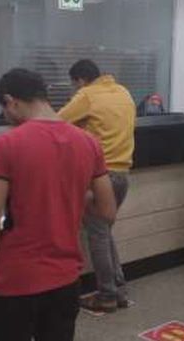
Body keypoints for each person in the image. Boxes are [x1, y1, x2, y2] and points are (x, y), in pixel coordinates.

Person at [0, 68, 117, 341]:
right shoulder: (89, 142)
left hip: (14, 280)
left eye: (4, 110)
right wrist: (71, 197)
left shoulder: (6, 143)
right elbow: (107, 211)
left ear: (10, 101)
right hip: (65, 281)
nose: (6, 117)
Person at [58, 59, 136, 314]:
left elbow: (54, 123)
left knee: (98, 235)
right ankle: (119, 289)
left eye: (74, 85)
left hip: (100, 177)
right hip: (122, 175)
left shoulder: (87, 95)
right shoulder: (123, 92)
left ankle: (107, 295)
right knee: (104, 231)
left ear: (80, 80)